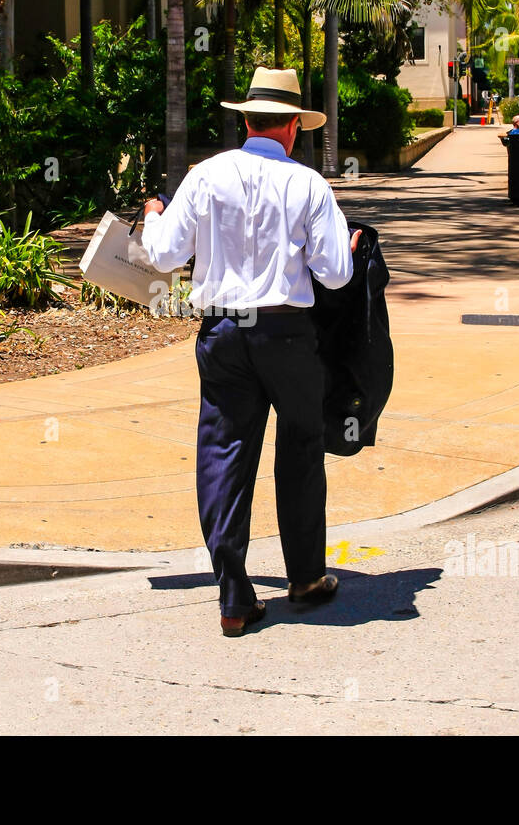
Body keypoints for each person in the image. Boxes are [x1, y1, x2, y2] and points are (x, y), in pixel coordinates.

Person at [140, 67, 359, 637]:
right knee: (302, 446)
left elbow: (162, 257)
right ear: (292, 128)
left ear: (245, 120)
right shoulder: (310, 185)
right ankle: (306, 577)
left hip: (223, 334)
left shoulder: (206, 176)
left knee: (224, 452)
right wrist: (344, 246)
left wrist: (153, 215)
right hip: (288, 335)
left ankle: (234, 598)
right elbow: (335, 275)